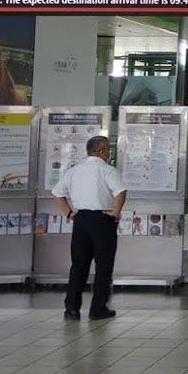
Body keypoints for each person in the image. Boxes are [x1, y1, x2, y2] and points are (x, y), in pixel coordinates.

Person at [51, 135, 126, 320]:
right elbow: (121, 192)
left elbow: (57, 194)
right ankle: (98, 309)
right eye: (108, 149)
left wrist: (69, 213)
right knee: (103, 266)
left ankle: (71, 309)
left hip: (81, 220)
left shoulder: (74, 171)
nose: (109, 152)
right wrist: (116, 212)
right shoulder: (108, 170)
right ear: (102, 151)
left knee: (78, 265)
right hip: (103, 220)